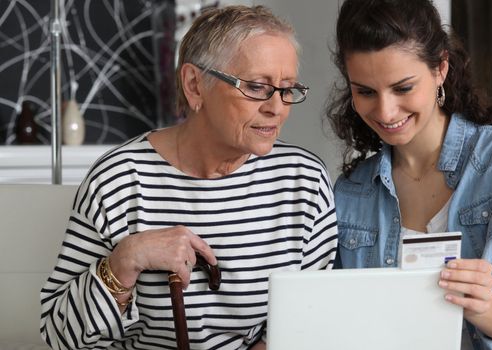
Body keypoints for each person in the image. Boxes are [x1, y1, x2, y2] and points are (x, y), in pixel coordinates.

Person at [40, 5, 338, 350]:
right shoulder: (119, 180)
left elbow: (309, 322)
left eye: (287, 89)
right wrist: (126, 260)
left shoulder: (303, 182)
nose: (277, 107)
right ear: (195, 85)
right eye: (257, 87)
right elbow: (60, 336)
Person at [326, 0, 492, 349]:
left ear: (440, 69)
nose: (386, 111)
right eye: (365, 92)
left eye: (403, 88)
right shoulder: (350, 192)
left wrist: (482, 304)